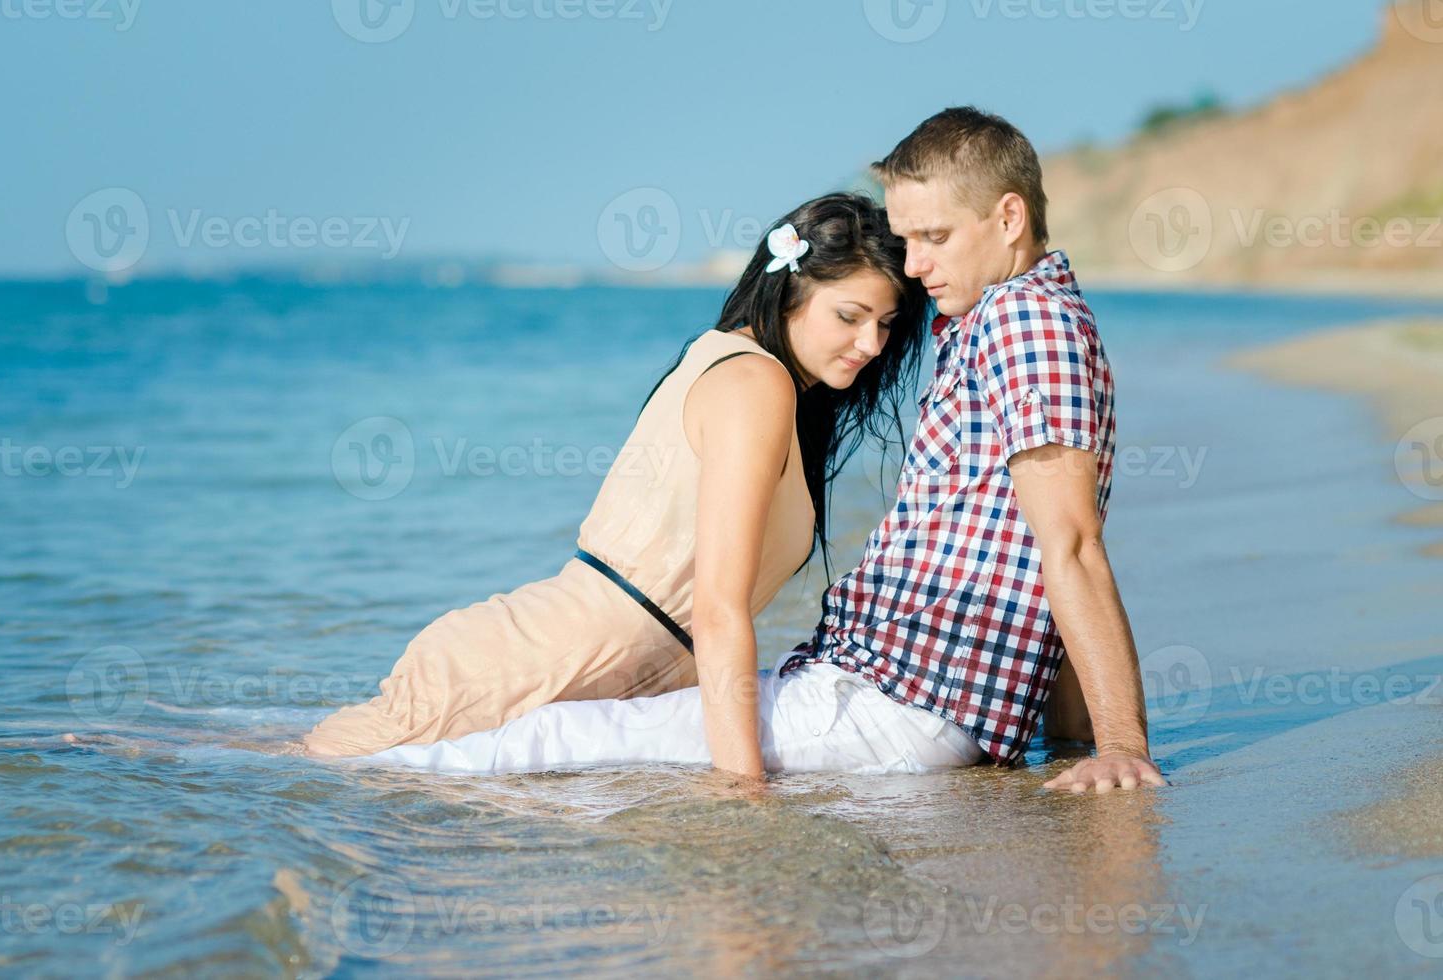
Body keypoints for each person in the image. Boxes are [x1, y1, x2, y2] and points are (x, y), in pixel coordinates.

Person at [356, 107, 1168, 795]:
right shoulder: (990, 324)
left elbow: (1069, 544)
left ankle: (305, 828)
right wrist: (1066, 738)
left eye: (933, 238)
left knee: (528, 755)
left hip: (900, 699)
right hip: (883, 687)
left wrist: (1119, 748)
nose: (915, 267)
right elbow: (1039, 549)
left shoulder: (1027, 327)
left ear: (1010, 218)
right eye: (905, 244)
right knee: (529, 756)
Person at [302, 193, 930, 759]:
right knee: (286, 786)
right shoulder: (753, 381)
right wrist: (743, 788)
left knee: (267, 764)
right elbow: (717, 610)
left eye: (885, 324)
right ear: (790, 290)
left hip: (576, 673)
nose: (872, 344)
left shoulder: (744, 371)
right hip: (531, 672)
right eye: (850, 316)